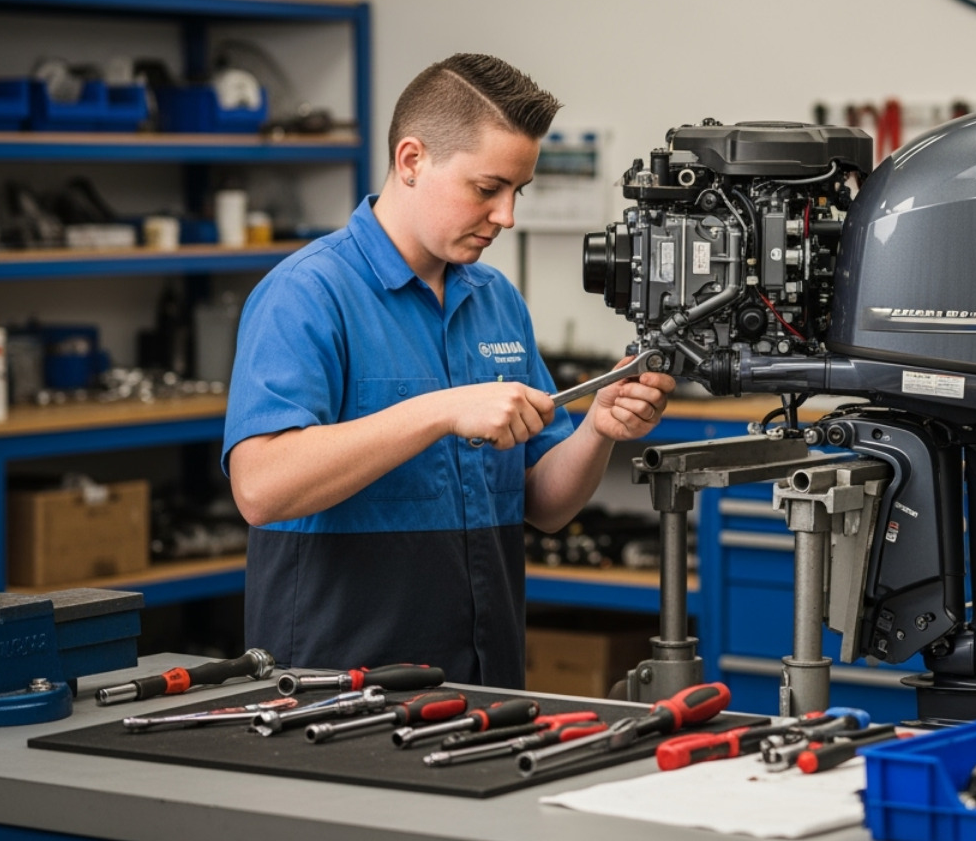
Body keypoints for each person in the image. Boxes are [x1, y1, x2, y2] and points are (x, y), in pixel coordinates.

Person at [222, 53, 675, 686]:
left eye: (518, 192)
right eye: (487, 189)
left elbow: (544, 504)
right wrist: (440, 409)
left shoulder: (495, 299)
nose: (507, 216)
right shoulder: (306, 293)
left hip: (483, 681)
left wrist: (599, 428)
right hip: (337, 687)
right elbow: (261, 488)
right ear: (412, 161)